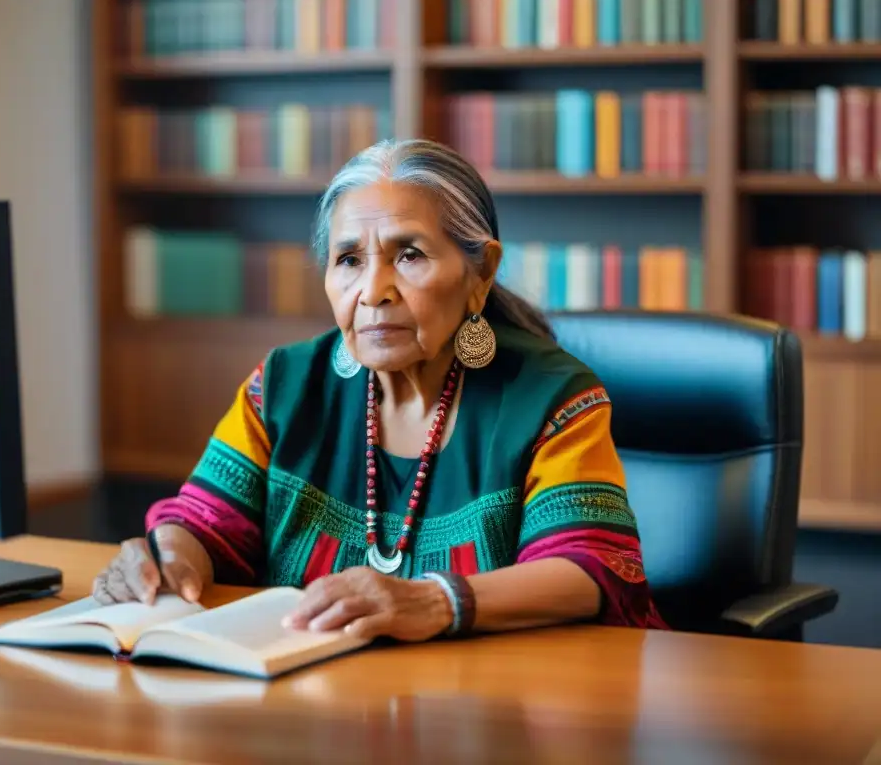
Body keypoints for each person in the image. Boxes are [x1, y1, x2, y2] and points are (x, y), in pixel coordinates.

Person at [93, 138, 668, 640]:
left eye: (409, 255)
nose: (372, 291)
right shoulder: (283, 387)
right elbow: (204, 523)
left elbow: (589, 568)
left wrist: (432, 601)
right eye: (348, 260)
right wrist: (169, 559)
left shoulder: (550, 396)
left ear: (482, 273)